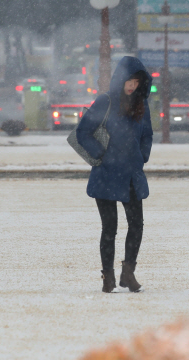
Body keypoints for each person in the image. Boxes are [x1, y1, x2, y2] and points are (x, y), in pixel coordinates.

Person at [76, 56, 153, 293]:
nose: (132, 86)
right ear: (120, 79)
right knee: (109, 228)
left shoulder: (142, 104)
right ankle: (107, 277)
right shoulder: (105, 101)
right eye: (128, 80)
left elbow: (147, 134)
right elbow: (83, 132)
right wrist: (100, 153)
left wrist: (142, 156)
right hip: (107, 174)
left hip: (131, 174)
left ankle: (128, 274)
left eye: (136, 82)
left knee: (136, 225)